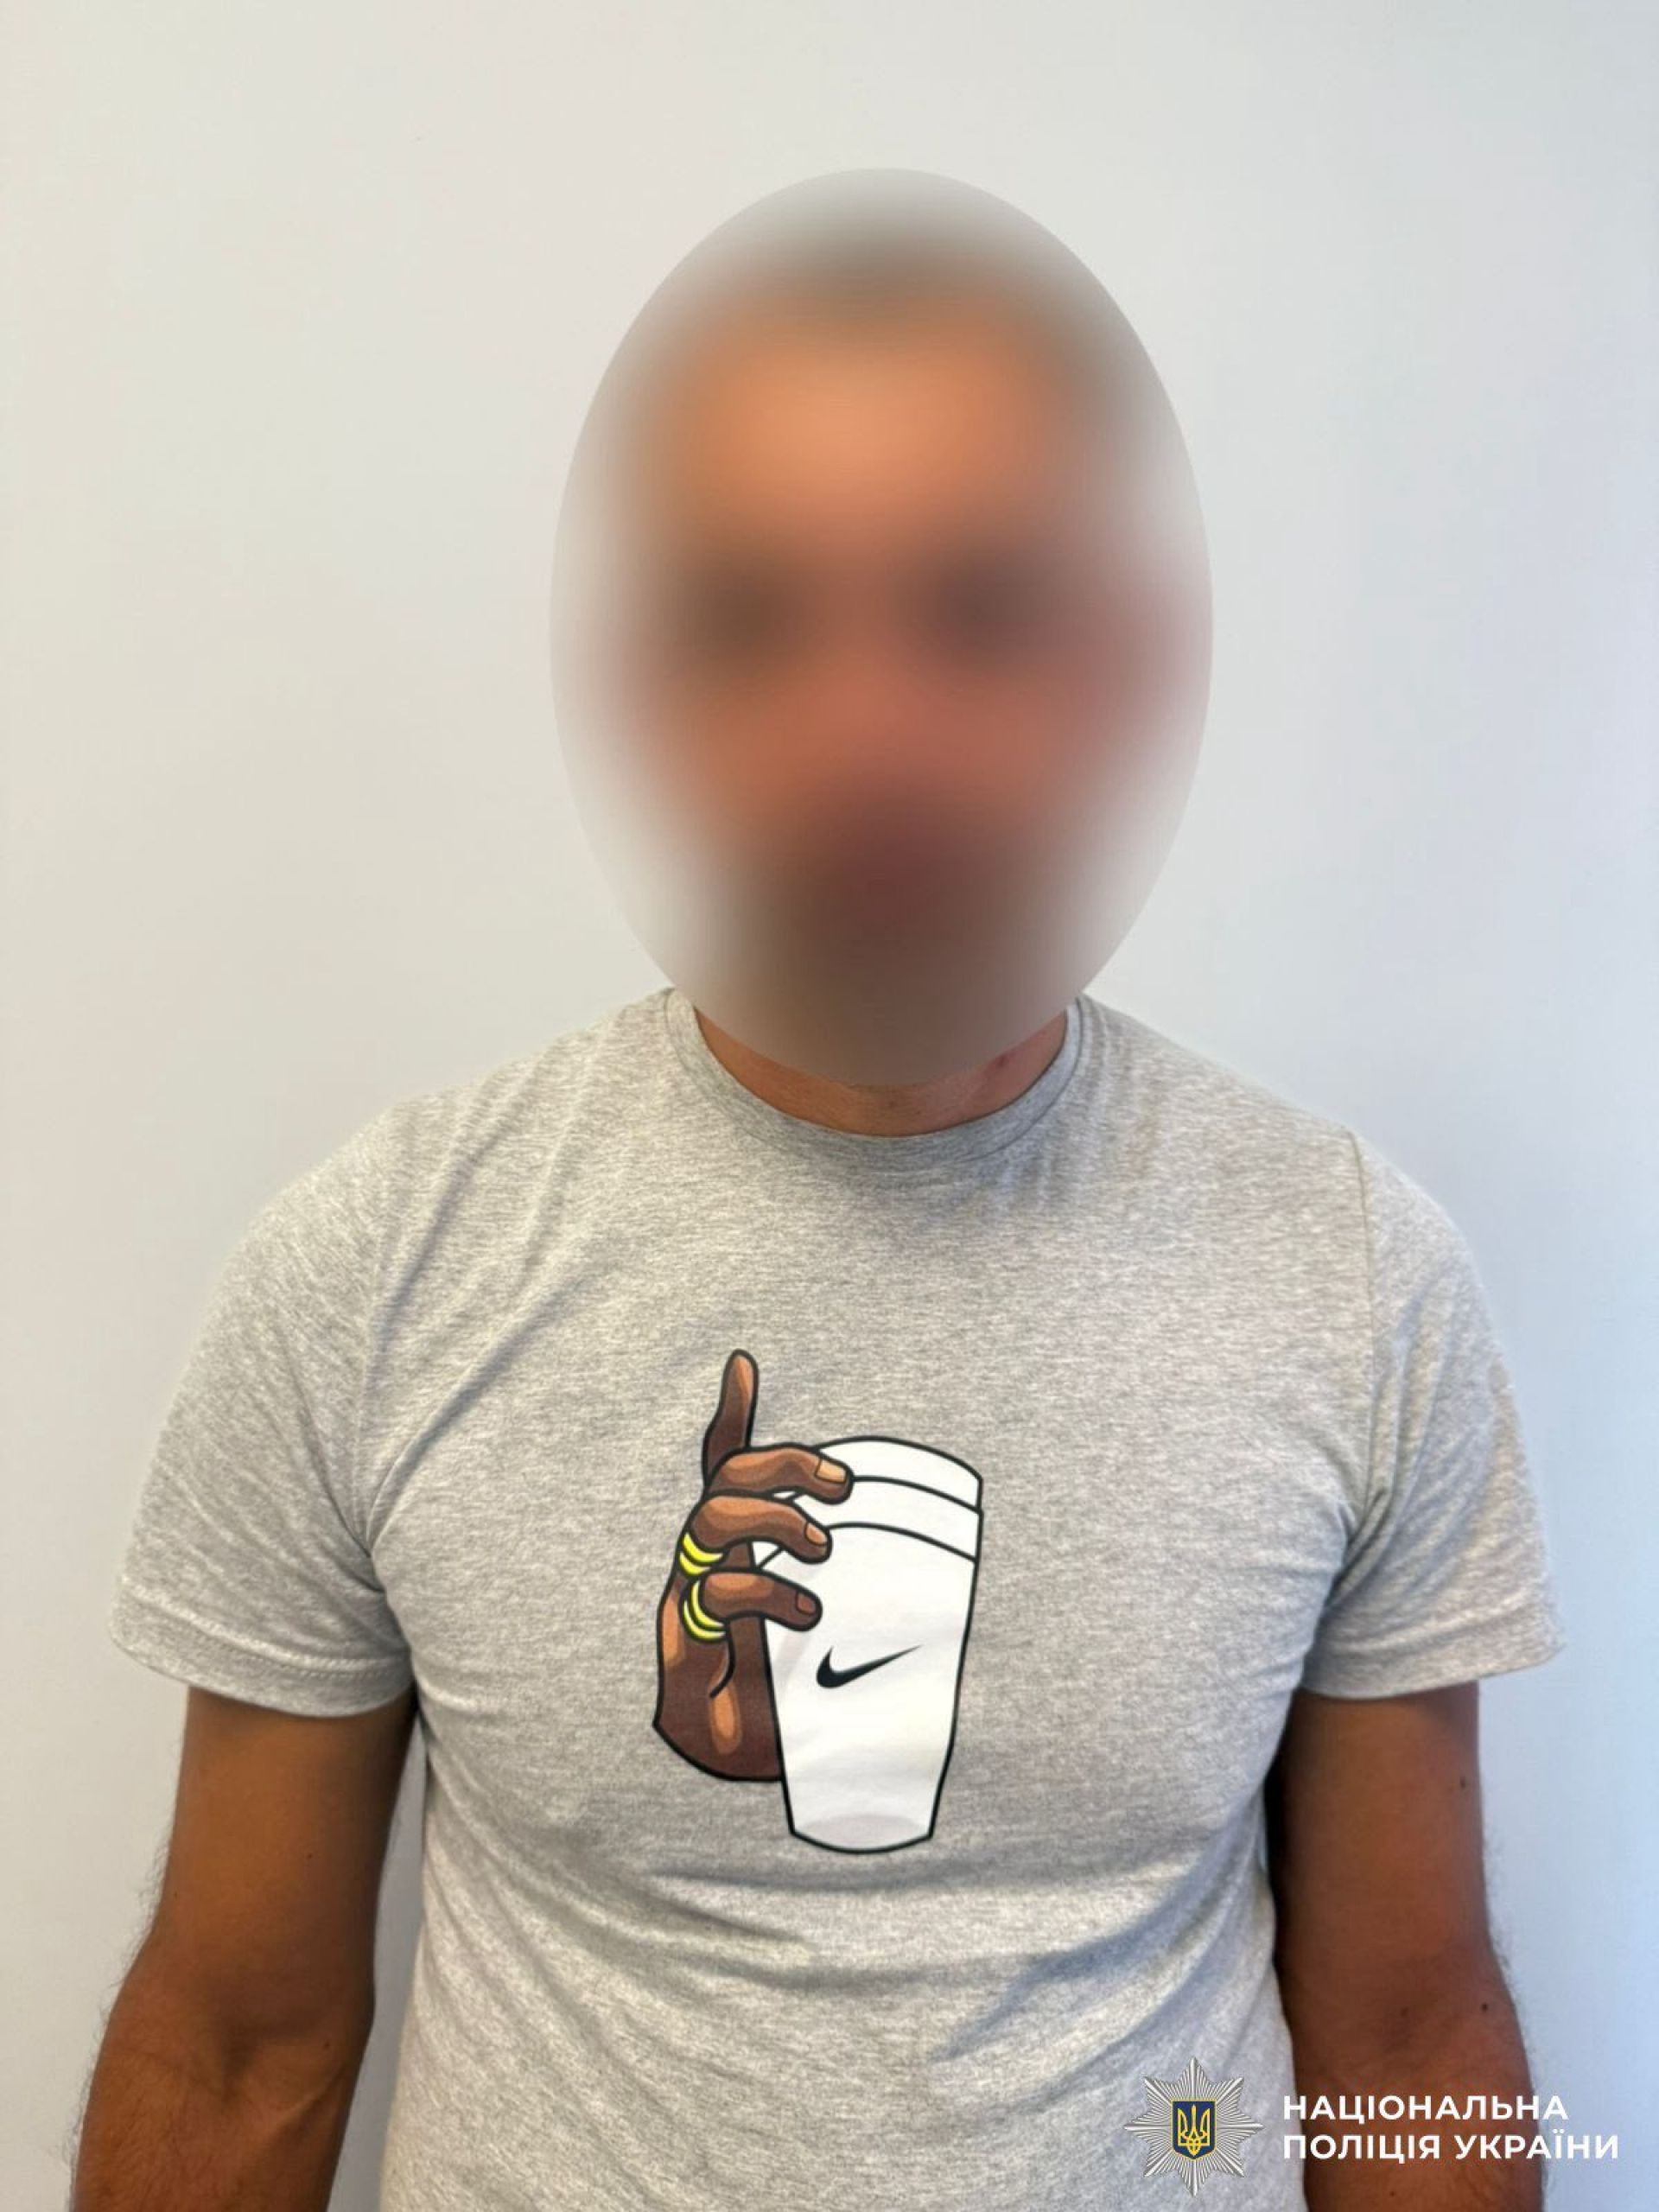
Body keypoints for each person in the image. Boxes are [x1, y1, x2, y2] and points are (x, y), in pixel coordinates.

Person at [76, 175, 1565, 2212]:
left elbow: (1405, 2035)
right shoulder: (374, 1263)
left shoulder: (1352, 1270)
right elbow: (238, 2041)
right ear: (648, 688)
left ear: (1120, 670)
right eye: (753, 619)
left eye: (977, 610)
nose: (868, 731)